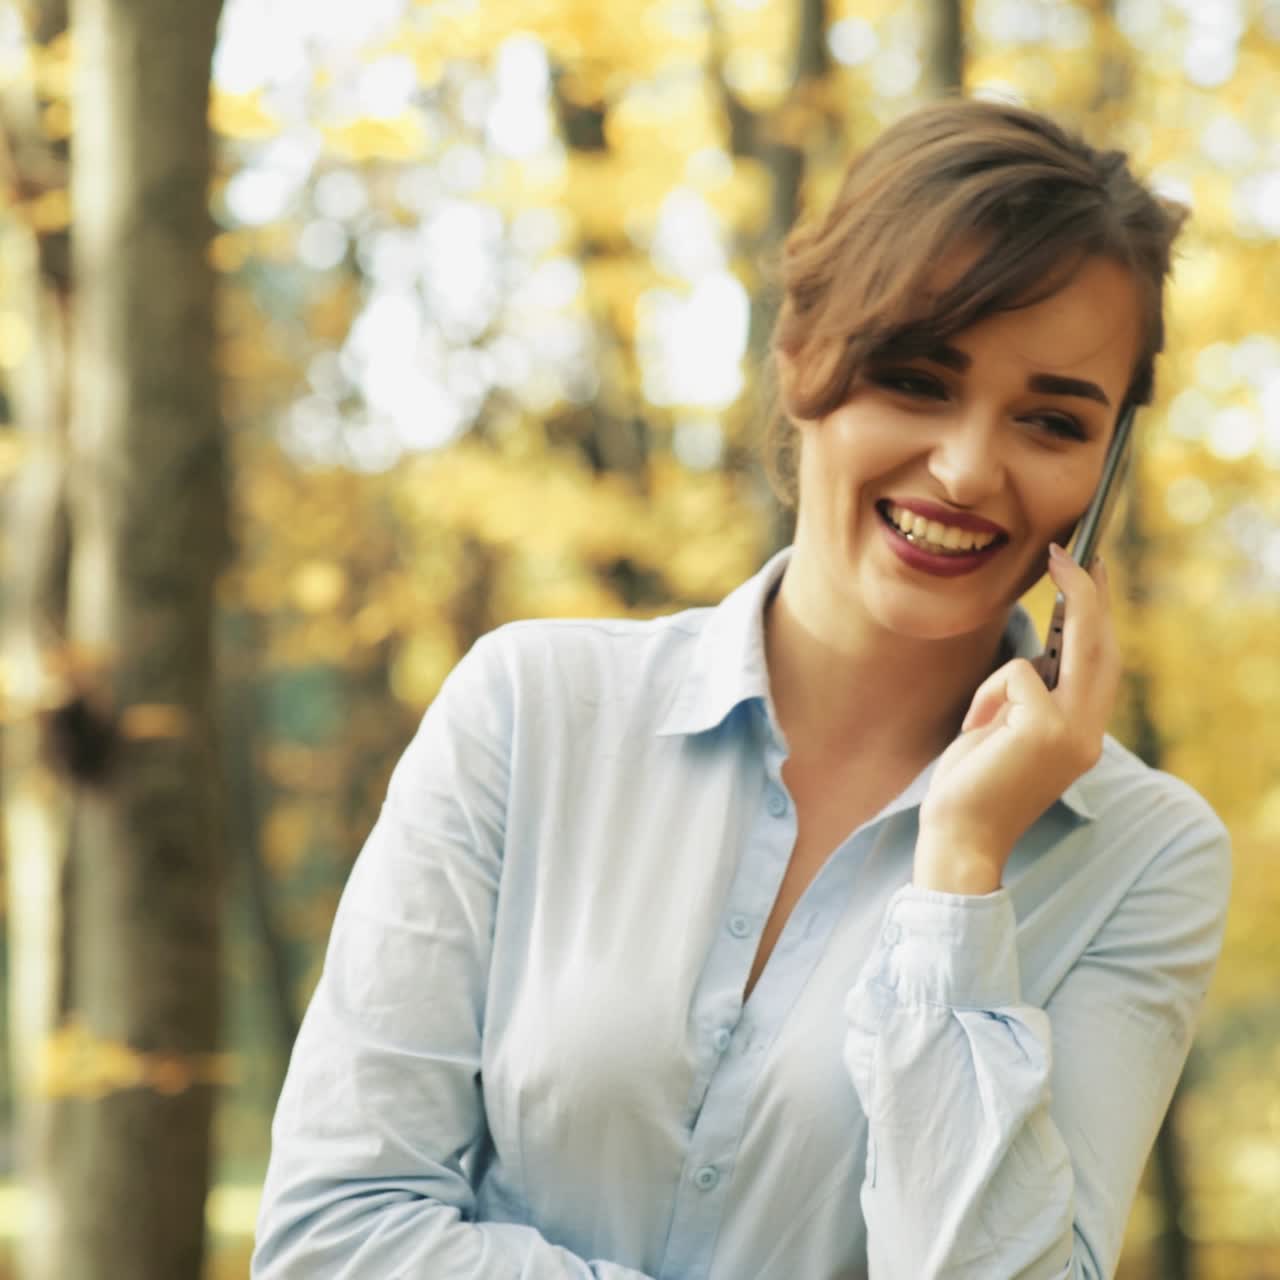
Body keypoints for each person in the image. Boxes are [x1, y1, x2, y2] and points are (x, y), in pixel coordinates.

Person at [251, 97, 1231, 1280]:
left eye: (1049, 419)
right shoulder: (528, 708)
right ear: (801, 358)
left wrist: (962, 874)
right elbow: (333, 1234)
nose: (969, 468)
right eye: (917, 380)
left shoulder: (1145, 855)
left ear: (1106, 463)